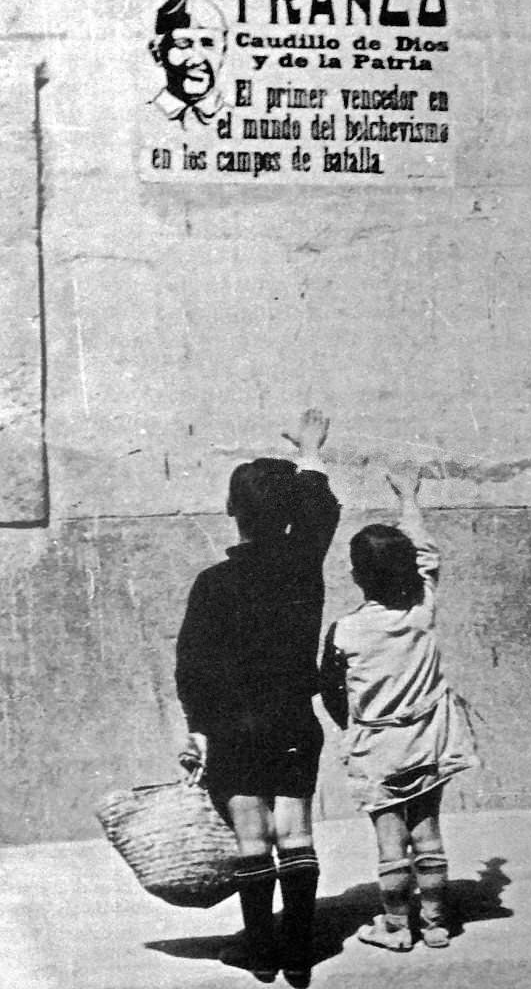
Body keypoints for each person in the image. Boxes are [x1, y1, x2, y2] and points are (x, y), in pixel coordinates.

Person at [175, 409, 340, 986]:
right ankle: (300, 953)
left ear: (231, 511)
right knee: (295, 832)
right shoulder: (303, 570)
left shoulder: (213, 584)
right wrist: (311, 452)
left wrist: (199, 727)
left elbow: (191, 665)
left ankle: (262, 951)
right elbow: (322, 512)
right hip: (294, 721)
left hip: (234, 727)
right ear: (290, 517)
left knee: (252, 838)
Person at [320, 471, 478, 952]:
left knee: (391, 839)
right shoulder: (421, 611)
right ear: (410, 571)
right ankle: (434, 923)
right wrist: (410, 500)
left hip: (377, 745)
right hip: (431, 737)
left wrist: (354, 724)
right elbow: (427, 556)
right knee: (427, 829)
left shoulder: (344, 632)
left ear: (354, 575)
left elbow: (330, 692)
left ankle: (395, 926)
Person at [148, 0, 230, 130]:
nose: (197, 58)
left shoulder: (239, 120)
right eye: (183, 44)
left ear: (223, 52)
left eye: (208, 44)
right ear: (157, 53)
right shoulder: (140, 121)